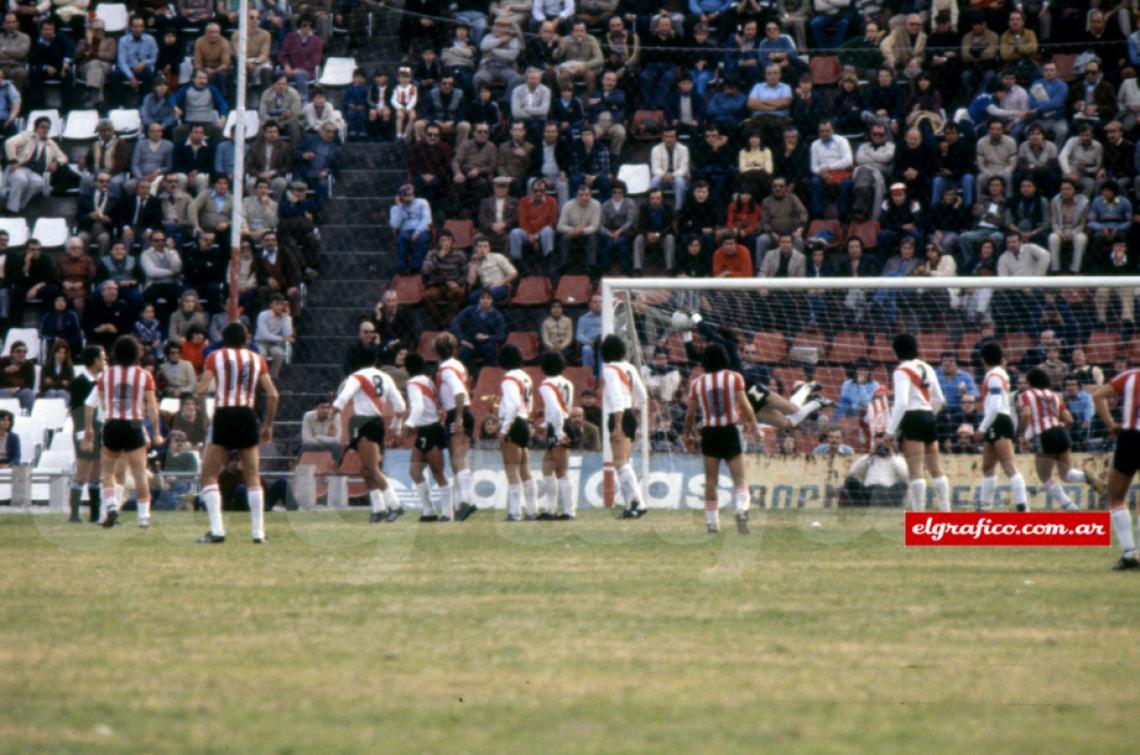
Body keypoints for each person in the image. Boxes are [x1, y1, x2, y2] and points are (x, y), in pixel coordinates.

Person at [195, 323, 278, 544]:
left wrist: (205, 417)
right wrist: (268, 425)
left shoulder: (215, 357)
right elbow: (272, 394)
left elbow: (202, 390)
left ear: (224, 339)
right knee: (252, 475)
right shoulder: (257, 359)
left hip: (224, 414)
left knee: (209, 474)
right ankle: (258, 533)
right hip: (246, 414)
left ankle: (217, 530)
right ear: (246, 338)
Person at [82, 336, 161, 529]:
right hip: (134, 424)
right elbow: (152, 405)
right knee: (140, 472)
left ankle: (110, 506)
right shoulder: (144, 375)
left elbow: (100, 400)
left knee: (107, 472)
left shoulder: (106, 375)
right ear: (136, 353)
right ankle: (144, 517)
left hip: (112, 424)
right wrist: (156, 431)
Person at [683, 343, 758, 534]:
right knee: (740, 480)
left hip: (709, 432)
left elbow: (690, 414)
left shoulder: (697, 383)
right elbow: (745, 405)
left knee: (711, 481)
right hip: (730, 430)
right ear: (725, 358)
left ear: (704, 361)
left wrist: (687, 434)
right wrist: (755, 427)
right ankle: (741, 510)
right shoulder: (734, 378)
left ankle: (712, 523)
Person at [333, 347, 407, 523]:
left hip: (363, 422)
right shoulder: (386, 377)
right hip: (377, 423)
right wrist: (396, 425)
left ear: (358, 361)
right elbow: (401, 406)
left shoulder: (357, 376)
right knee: (366, 469)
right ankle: (378, 508)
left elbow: (344, 397)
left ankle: (395, 504)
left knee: (371, 469)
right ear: (375, 361)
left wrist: (332, 416)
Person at [1019, 368, 1103, 514]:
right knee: (1066, 474)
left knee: (1045, 477)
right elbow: (1069, 419)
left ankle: (1070, 507)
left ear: (1030, 382)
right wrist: (1063, 432)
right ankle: (1087, 477)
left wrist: (1021, 436)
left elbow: (1026, 415)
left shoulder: (1027, 394)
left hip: (1045, 435)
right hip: (1061, 432)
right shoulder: (1055, 396)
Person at [886, 332, 951, 513]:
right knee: (936, 468)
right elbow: (939, 399)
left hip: (912, 417)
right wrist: (929, 415)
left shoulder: (901, 370)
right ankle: (946, 512)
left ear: (896, 351)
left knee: (916, 470)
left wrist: (890, 432)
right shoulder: (927, 367)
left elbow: (901, 403)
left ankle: (918, 516)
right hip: (929, 416)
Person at [1093, 366, 1140, 569]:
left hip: (1130, 438)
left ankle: (1130, 553)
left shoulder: (1131, 376)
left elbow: (1097, 395)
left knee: (1116, 497)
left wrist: (1111, 424)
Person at [974, 342, 1028, 512]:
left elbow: (996, 406)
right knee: (988, 466)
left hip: (998, 420)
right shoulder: (997, 374)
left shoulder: (994, 375)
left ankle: (1023, 507)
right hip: (995, 421)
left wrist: (982, 428)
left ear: (983, 359)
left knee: (1008, 465)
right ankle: (985, 507)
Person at [600, 334, 647, 519]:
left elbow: (617, 399)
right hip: (629, 414)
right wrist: (633, 417)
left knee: (619, 462)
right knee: (623, 462)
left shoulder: (610, 369)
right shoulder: (630, 367)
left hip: (617, 415)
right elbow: (642, 396)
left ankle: (638, 502)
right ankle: (630, 506)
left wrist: (618, 425)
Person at [434, 332, 477, 521]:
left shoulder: (446, 368)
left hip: (457, 412)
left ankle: (467, 500)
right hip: (462, 411)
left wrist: (457, 417)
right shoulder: (458, 364)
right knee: (455, 459)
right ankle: (460, 503)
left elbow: (459, 392)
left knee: (458, 458)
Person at [403, 352, 451, 521]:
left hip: (431, 429)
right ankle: (428, 510)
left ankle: (447, 512)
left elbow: (418, 407)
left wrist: (408, 424)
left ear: (406, 368)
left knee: (437, 473)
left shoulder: (413, 383)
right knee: (415, 471)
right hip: (426, 430)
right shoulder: (427, 380)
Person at [497, 343, 538, 521]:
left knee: (511, 470)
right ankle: (532, 510)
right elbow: (529, 403)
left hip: (513, 423)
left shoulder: (509, 378)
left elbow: (512, 405)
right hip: (523, 420)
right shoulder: (525, 377)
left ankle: (515, 512)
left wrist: (504, 428)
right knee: (526, 470)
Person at [69, 345, 105, 523]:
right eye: (103, 357)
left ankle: (95, 514)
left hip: (99, 429)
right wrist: (83, 435)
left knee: (96, 473)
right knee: (82, 471)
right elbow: (77, 411)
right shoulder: (79, 382)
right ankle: (74, 513)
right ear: (96, 360)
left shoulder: (102, 382)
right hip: (85, 431)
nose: (105, 361)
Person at [537, 351, 575, 520]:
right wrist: (546, 424)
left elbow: (556, 409)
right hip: (559, 424)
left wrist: (559, 432)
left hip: (560, 427)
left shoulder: (546, 384)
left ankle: (569, 511)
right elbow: (565, 407)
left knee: (561, 471)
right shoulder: (568, 383)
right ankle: (551, 509)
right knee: (547, 469)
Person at [843, 433, 909, 507]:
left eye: (884, 444)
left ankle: (887, 505)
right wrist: (870, 454)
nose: (882, 447)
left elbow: (905, 474)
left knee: (902, 483)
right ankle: (862, 505)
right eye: (879, 444)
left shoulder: (897, 459)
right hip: (868, 490)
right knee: (850, 480)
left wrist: (891, 456)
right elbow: (852, 471)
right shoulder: (869, 457)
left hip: (886, 492)